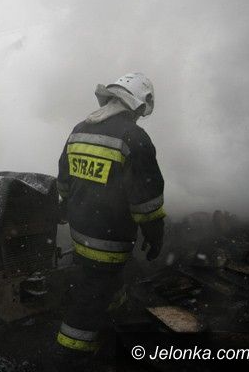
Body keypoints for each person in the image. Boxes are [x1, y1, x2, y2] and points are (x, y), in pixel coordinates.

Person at [55, 72, 165, 366]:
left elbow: (63, 180)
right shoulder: (134, 138)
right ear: (137, 104)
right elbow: (146, 198)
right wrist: (155, 233)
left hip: (81, 231)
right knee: (90, 300)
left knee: (101, 282)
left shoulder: (80, 130)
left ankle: (109, 328)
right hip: (111, 237)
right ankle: (71, 353)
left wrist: (70, 204)